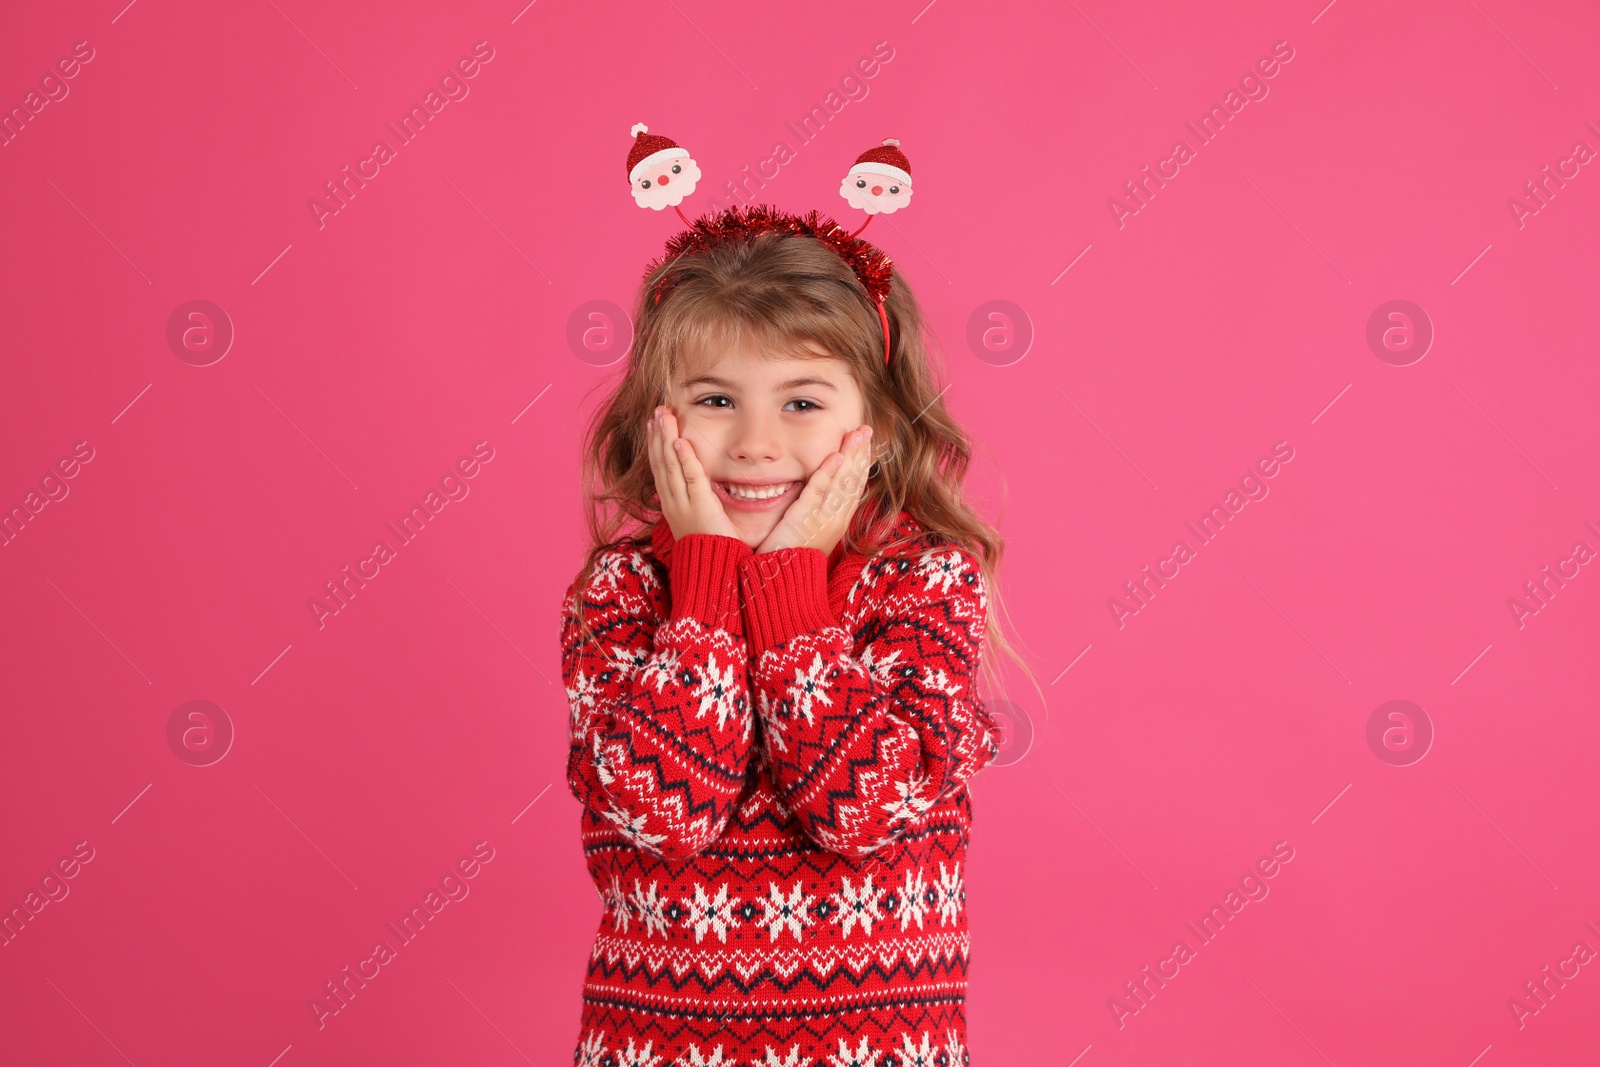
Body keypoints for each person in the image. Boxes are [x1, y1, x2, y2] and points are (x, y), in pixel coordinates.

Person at [560, 202, 1037, 1067]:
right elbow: (665, 811)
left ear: (879, 427)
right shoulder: (623, 592)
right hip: (656, 1046)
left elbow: (859, 811)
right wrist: (704, 584)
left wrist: (787, 595)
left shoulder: (923, 584)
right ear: (653, 419)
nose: (754, 443)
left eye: (802, 401)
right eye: (714, 399)